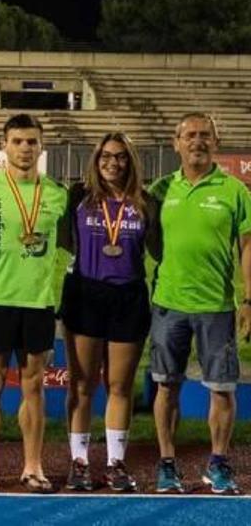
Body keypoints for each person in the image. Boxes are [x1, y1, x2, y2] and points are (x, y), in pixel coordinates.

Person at [148, 113, 251, 495]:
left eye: (205, 135)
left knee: (222, 388)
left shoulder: (234, 190)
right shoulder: (161, 189)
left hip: (216, 306)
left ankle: (219, 463)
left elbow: (247, 246)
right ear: (176, 143)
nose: (197, 141)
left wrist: (249, 298)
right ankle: (167, 464)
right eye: (189, 135)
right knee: (165, 386)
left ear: (217, 142)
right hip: (168, 304)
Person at [0, 114, 68, 493]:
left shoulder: (56, 192)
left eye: (32, 142)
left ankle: (33, 465)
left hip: (39, 301)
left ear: (42, 146)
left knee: (34, 386)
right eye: (17, 141)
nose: (25, 148)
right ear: (4, 145)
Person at [59, 132, 155, 492]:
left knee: (120, 385)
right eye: (105, 157)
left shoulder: (146, 202)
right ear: (95, 161)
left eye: (120, 157)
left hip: (128, 296)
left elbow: (158, 246)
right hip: (86, 294)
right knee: (82, 383)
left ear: (130, 161)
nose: (113, 163)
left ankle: (116, 463)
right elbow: (64, 238)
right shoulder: (78, 197)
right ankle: (79, 462)